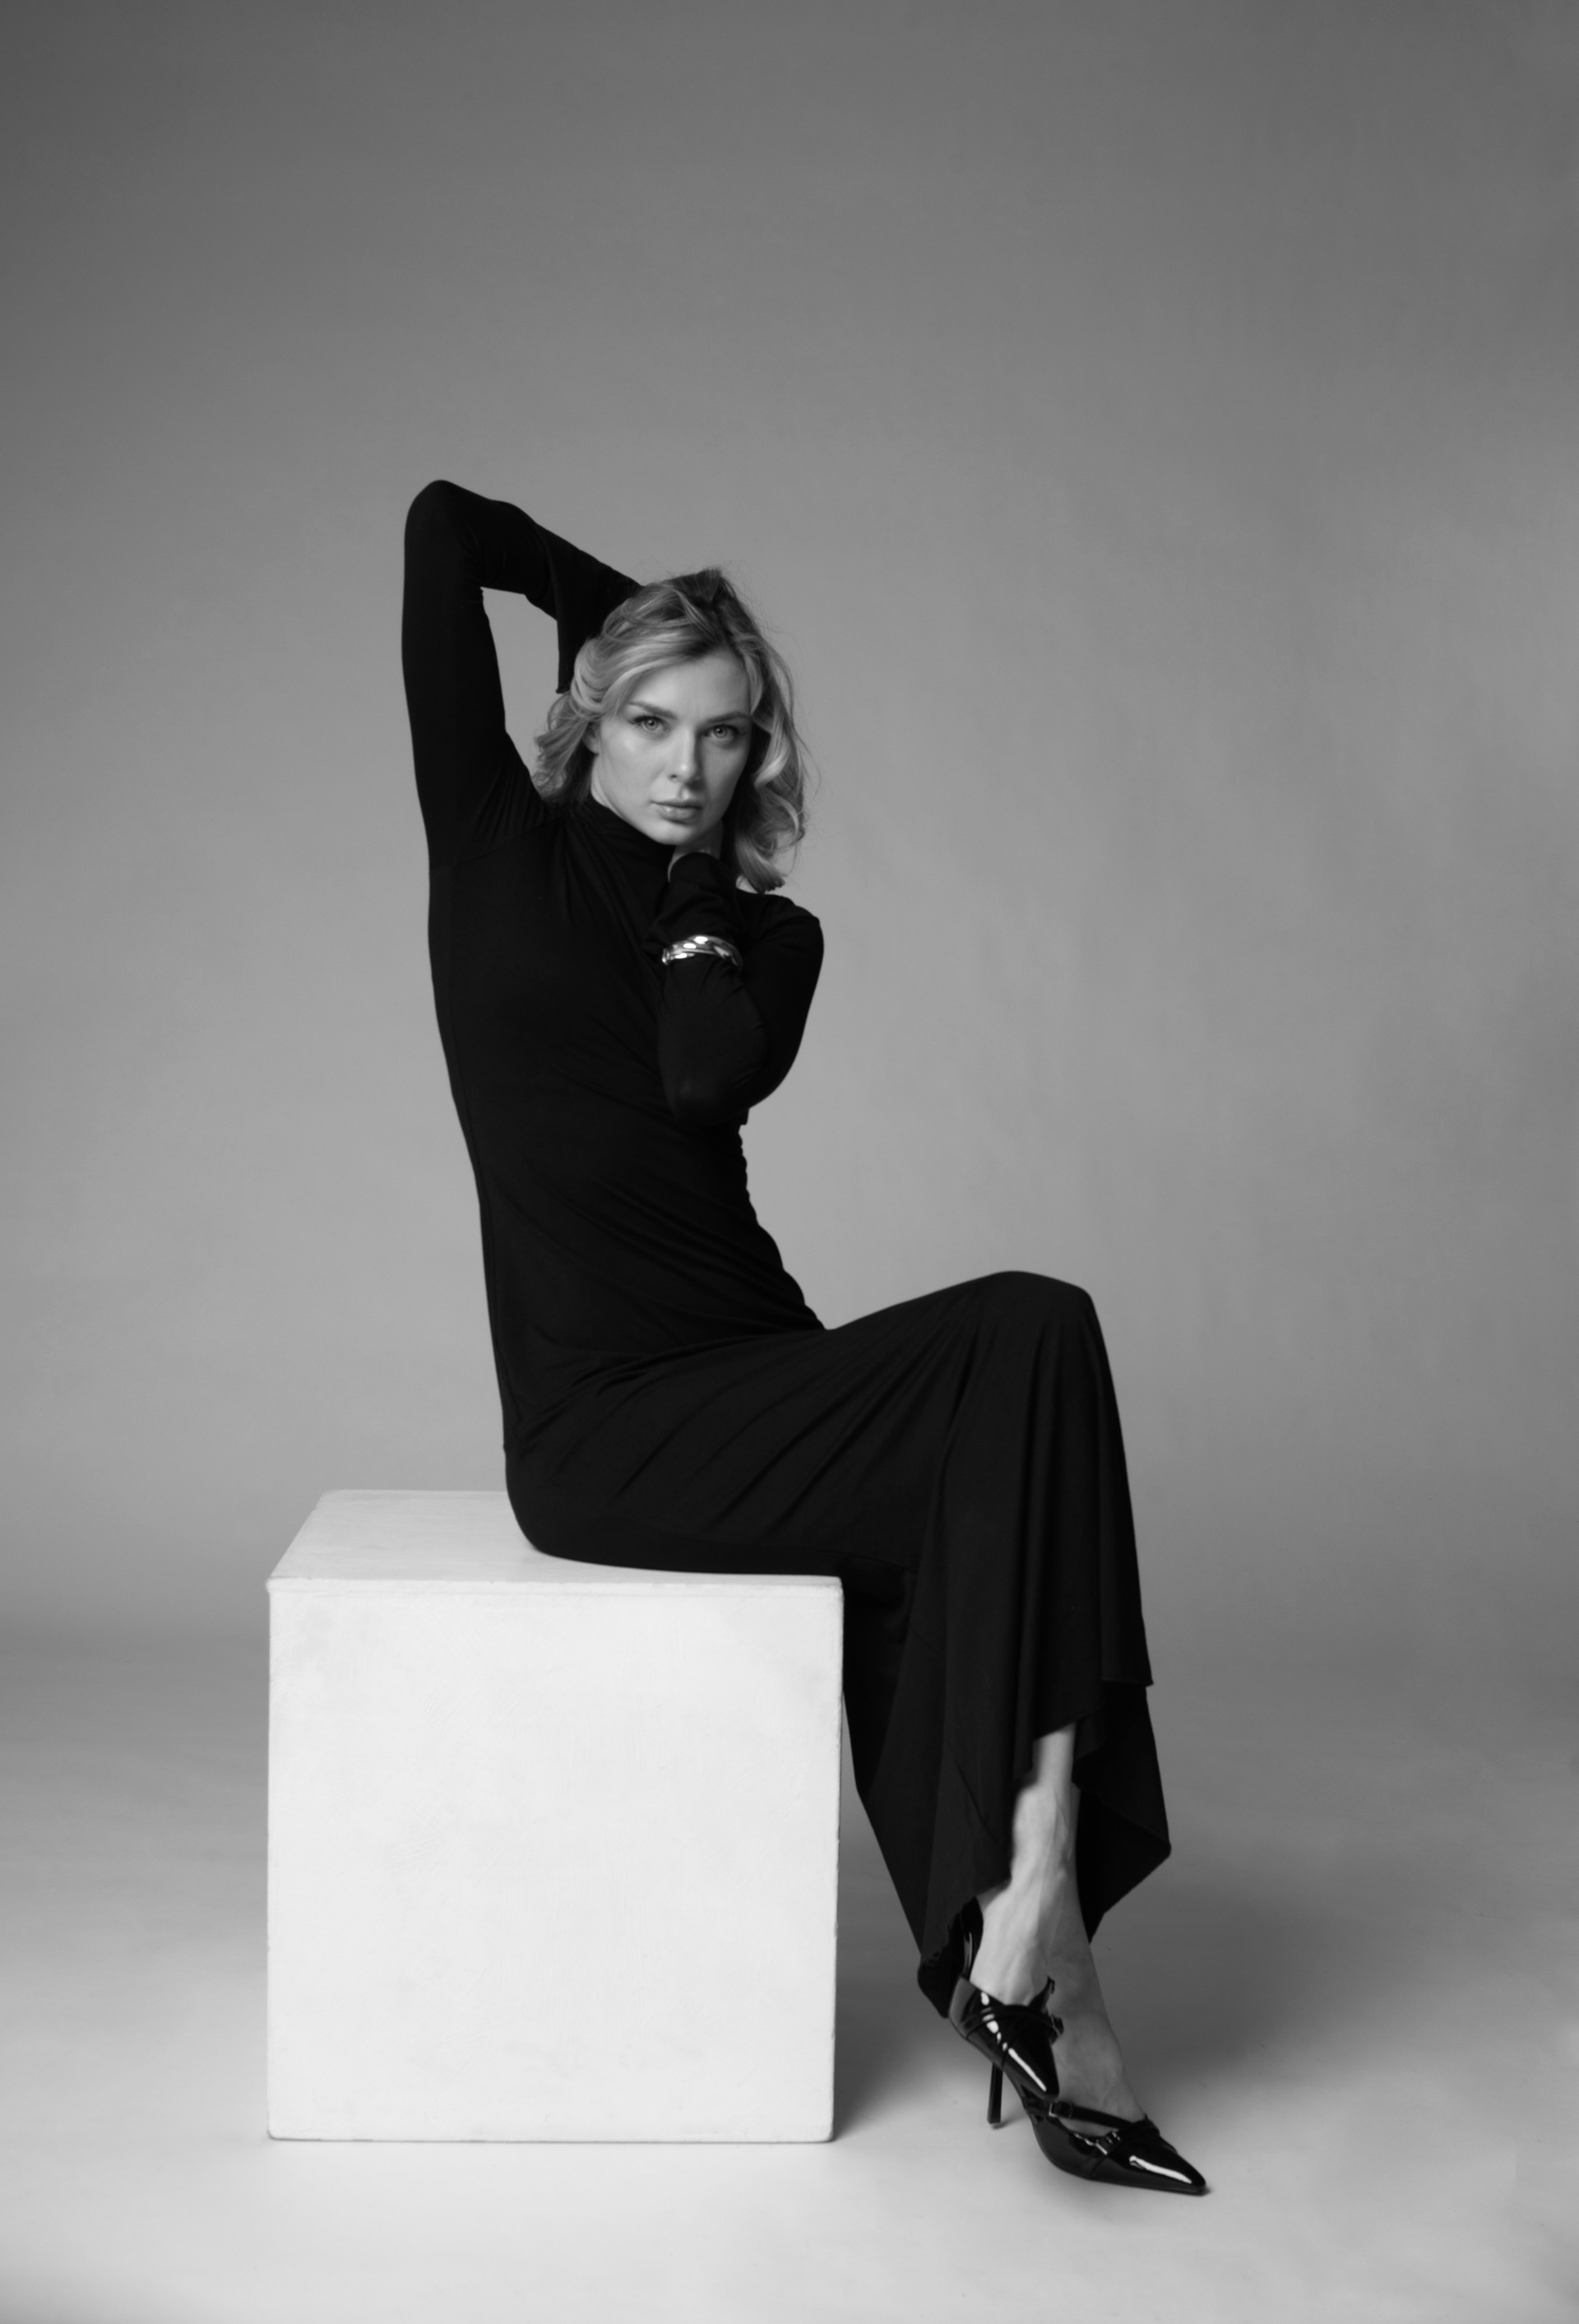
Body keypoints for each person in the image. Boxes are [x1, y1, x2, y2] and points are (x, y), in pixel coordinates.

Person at [401, 477, 1207, 2195]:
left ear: (754, 754)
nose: (687, 765)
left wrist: (696, 867)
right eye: (651, 723)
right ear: (588, 719)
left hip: (754, 1361)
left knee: (1022, 1392)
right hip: (604, 1423)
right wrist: (642, 612)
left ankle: (1033, 1923)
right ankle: (1042, 1957)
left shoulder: (770, 933)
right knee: (1027, 1344)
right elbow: (442, 528)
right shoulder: (487, 842)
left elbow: (704, 1069)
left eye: (726, 734)